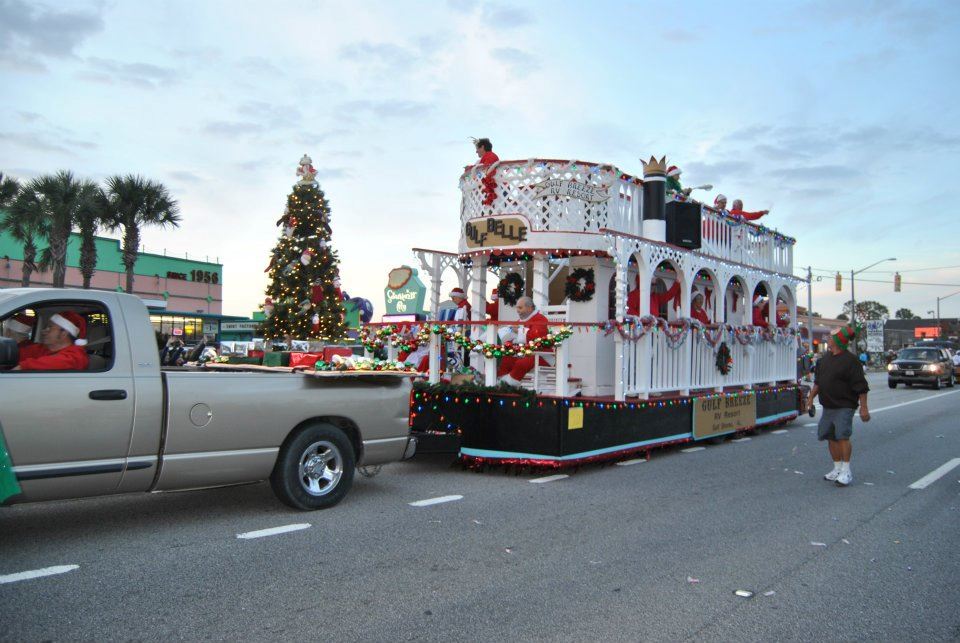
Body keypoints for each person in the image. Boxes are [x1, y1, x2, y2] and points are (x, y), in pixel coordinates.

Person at [806, 324, 870, 487]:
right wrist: (810, 398)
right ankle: (837, 468)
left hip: (844, 405)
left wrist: (864, 408)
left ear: (838, 341)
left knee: (842, 436)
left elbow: (861, 386)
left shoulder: (851, 361)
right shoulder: (824, 360)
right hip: (828, 406)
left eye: (830, 337)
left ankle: (846, 471)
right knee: (830, 436)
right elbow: (818, 382)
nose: (827, 338)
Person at [497, 296, 551, 387]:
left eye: (520, 308)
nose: (517, 310)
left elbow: (537, 338)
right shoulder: (520, 321)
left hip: (540, 354)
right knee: (505, 359)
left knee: (521, 363)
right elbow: (512, 338)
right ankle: (500, 383)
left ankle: (508, 384)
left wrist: (519, 331)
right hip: (523, 352)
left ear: (529, 308)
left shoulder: (540, 319)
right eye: (517, 308)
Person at [15, 311, 90, 371]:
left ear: (63, 333)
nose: (43, 331)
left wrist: (24, 366)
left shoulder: (76, 355)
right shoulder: (42, 348)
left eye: (49, 327)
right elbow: (15, 354)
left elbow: (60, 362)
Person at [472, 138, 499, 206]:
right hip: (492, 190)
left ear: (482, 147)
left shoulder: (490, 156)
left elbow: (486, 173)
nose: (476, 151)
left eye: (477, 148)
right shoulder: (488, 156)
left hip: (495, 190)